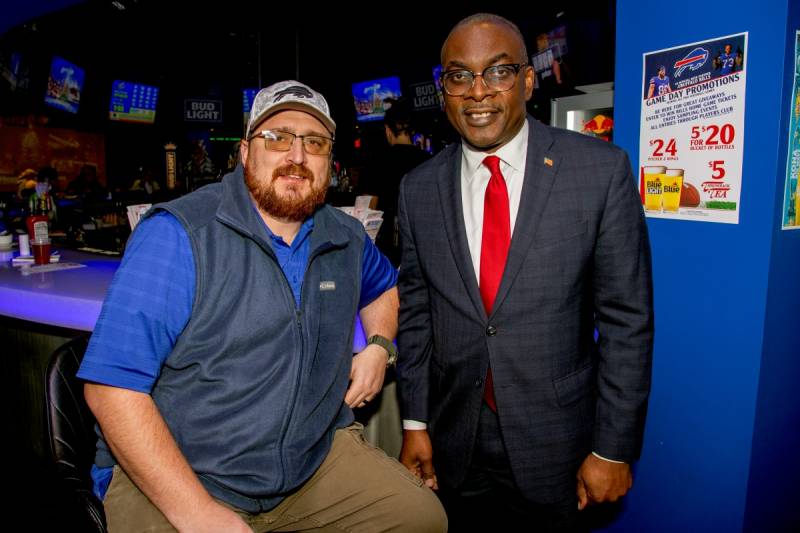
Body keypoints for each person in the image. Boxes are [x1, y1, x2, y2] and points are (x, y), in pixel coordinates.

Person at [78, 80, 446, 533]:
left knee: (422, 519)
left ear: (330, 161)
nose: (296, 156)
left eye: (314, 143)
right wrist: (200, 514)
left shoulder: (344, 235)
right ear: (246, 152)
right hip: (178, 472)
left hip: (307, 466)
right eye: (278, 138)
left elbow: (386, 289)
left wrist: (378, 346)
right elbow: (111, 390)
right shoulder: (178, 235)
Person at [396, 13, 654, 532]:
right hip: (455, 443)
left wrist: (613, 448)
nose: (478, 92)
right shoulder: (418, 189)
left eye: (498, 72)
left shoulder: (599, 172)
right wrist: (415, 422)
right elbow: (418, 315)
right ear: (443, 87)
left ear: (529, 81)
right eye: (459, 75)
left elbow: (627, 322)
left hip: (558, 442)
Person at [359, 97, 430, 266]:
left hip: (390, 249)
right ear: (412, 132)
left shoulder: (377, 162)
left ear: (387, 130)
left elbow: (366, 211)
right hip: (425, 245)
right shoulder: (430, 161)